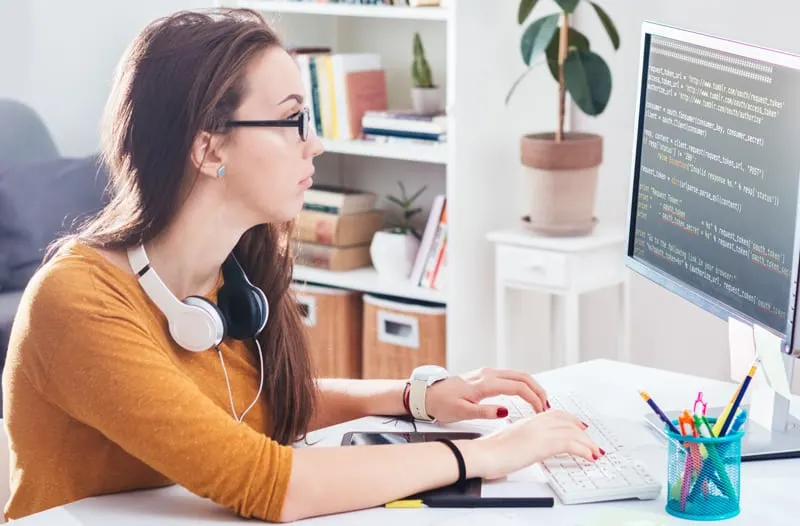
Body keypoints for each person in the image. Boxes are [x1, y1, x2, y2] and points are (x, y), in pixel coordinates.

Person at [1, 8, 602, 523]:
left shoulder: (226, 278)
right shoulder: (77, 301)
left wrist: (420, 396)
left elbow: (261, 403)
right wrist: (487, 454)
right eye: (292, 121)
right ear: (209, 145)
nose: (314, 144)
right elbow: (269, 483)